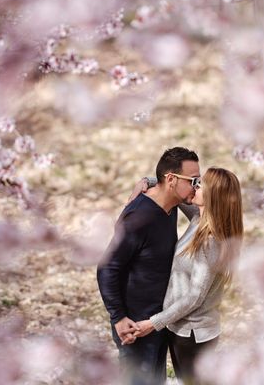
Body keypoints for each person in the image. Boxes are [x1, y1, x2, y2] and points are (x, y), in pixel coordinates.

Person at [125, 167, 244, 385]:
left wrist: (153, 323)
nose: (195, 187)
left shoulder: (211, 241)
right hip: (183, 329)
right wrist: (149, 181)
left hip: (192, 335)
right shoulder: (200, 219)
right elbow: (177, 194)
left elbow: (195, 297)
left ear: (212, 196)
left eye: (200, 185)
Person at [97, 147, 201, 385]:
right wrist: (119, 317)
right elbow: (107, 268)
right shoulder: (138, 218)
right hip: (134, 326)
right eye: (193, 181)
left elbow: (161, 179)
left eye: (199, 181)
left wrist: (146, 180)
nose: (197, 187)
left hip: (157, 321)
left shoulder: (171, 204)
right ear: (172, 180)